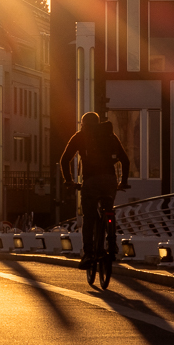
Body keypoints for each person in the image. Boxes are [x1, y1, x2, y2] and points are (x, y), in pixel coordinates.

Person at [58, 111, 132, 264]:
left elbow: (64, 160)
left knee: (89, 217)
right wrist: (123, 181)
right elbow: (125, 160)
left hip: (91, 181)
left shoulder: (80, 136)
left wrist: (69, 180)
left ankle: (88, 254)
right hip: (110, 181)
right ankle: (112, 245)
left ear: (83, 124)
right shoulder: (109, 135)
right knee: (109, 210)